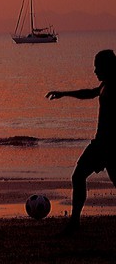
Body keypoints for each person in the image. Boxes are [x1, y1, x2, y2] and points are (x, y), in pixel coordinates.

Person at [47, 49, 116, 235]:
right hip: (101, 144)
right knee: (78, 176)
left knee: (78, 177)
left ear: (107, 66)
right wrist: (64, 93)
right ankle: (75, 222)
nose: (94, 70)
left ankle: (74, 223)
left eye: (97, 66)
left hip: (108, 146)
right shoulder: (105, 84)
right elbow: (89, 93)